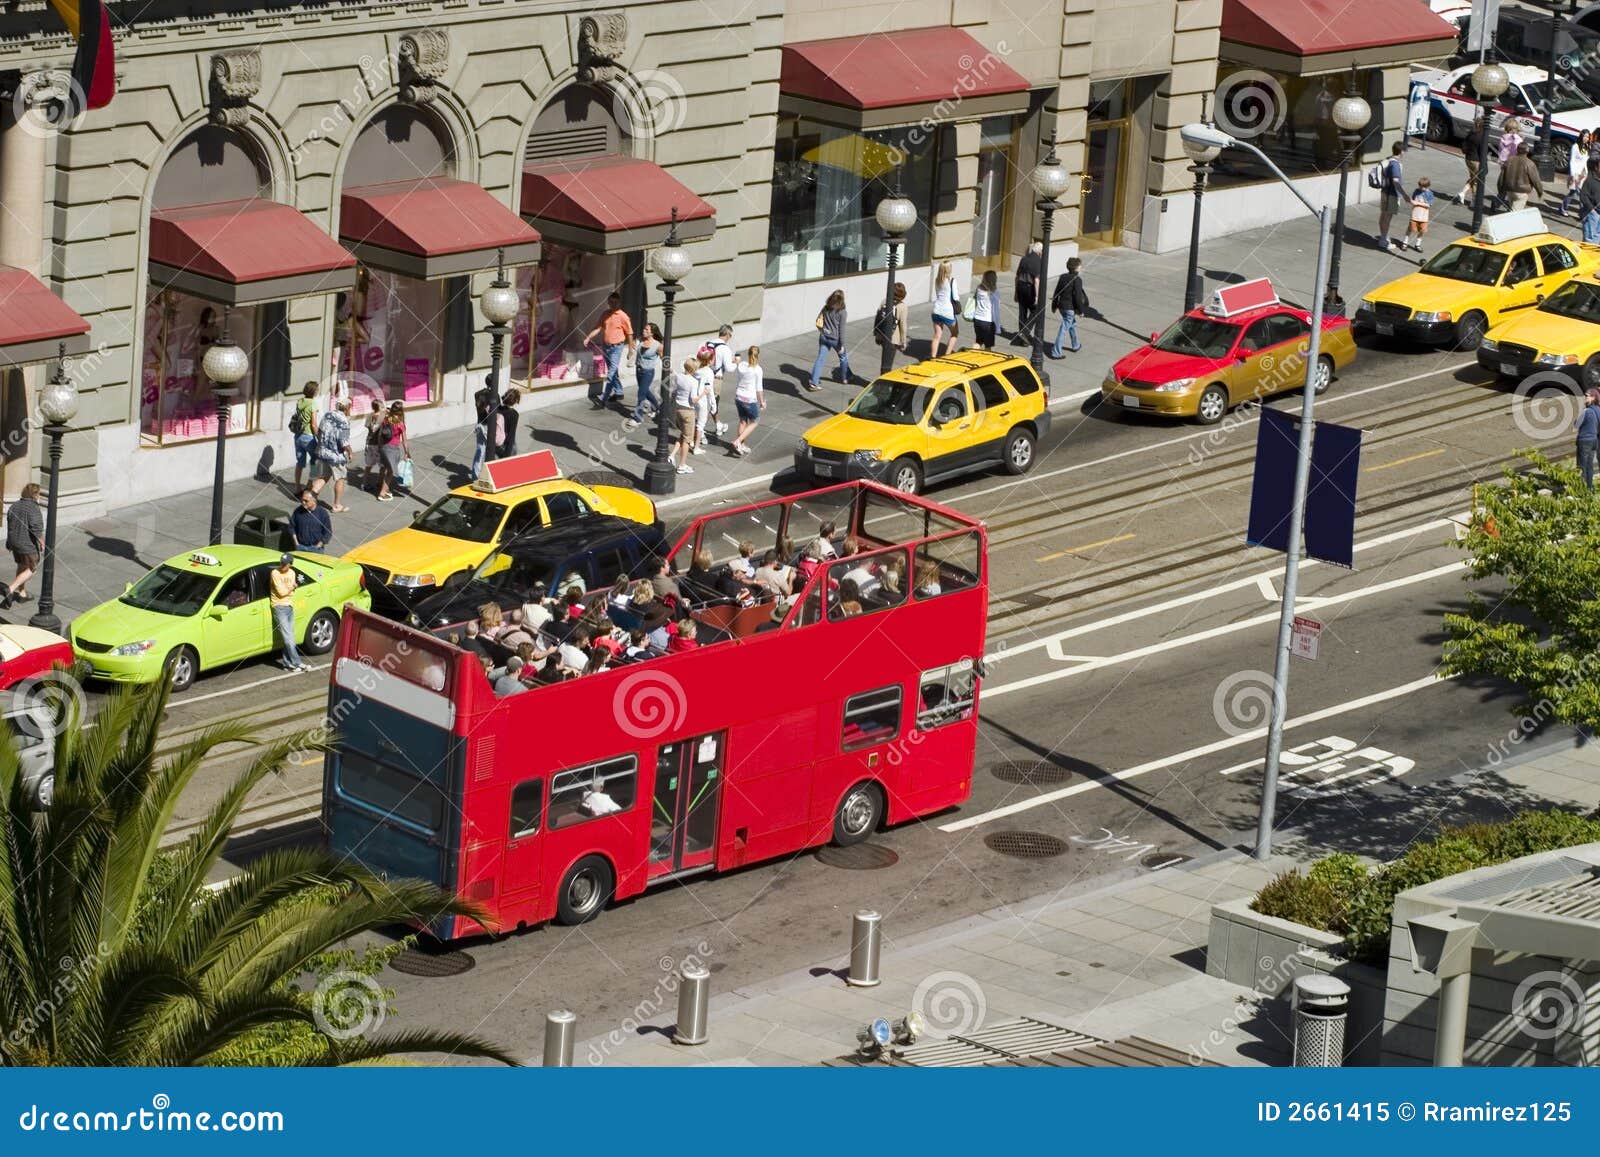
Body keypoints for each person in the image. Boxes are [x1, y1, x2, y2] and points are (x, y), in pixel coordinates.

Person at [584, 292, 635, 409]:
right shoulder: (605, 314)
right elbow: (598, 327)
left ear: (619, 302)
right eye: (610, 302)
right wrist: (588, 337)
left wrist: (630, 350)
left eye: (615, 302)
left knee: (611, 374)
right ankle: (619, 392)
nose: (612, 304)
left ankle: (603, 399)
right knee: (613, 371)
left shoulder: (623, 316)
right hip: (606, 346)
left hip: (617, 347)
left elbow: (630, 333)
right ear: (608, 302)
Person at [1, 482, 44, 608]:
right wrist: (42, 542)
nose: (40, 496)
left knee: (22, 565)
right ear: (34, 495)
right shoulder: (33, 508)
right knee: (32, 568)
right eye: (39, 494)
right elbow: (36, 528)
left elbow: (10, 526)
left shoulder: (14, 505)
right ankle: (10, 589)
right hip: (27, 544)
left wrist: (9, 543)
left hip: (15, 543)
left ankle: (22, 593)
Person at [311, 397, 353, 513]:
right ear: (347, 407)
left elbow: (319, 431)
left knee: (323, 477)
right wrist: (350, 451)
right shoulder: (344, 420)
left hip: (323, 452)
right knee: (340, 478)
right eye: (350, 406)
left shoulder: (327, 415)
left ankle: (310, 498)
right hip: (336, 456)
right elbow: (343, 441)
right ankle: (337, 505)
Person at [623, 322, 662, 431]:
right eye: (644, 329)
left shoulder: (658, 345)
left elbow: (664, 358)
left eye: (647, 330)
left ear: (652, 333)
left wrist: (669, 369)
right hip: (638, 370)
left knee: (641, 395)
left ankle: (637, 418)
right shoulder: (640, 340)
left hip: (648, 372)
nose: (644, 331)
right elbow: (635, 351)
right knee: (645, 392)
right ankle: (657, 407)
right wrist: (630, 353)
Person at [808, 289, 849, 391]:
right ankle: (845, 378)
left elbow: (818, 320)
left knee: (820, 359)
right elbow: (841, 330)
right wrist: (842, 344)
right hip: (835, 340)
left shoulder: (826, 308)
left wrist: (823, 330)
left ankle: (814, 382)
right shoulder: (842, 312)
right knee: (843, 357)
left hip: (823, 337)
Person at [270, 553, 305, 673]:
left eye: (285, 564)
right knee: (288, 638)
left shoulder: (292, 573)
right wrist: (292, 587)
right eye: (281, 563)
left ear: (290, 564)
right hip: (278, 607)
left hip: (289, 606)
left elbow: (289, 593)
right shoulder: (275, 573)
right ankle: (297, 663)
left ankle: (287, 664)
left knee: (290, 637)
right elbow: (281, 592)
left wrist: (290, 589)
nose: (282, 566)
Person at [1048, 257, 1089, 358]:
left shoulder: (1063, 277)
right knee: (1064, 328)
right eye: (1079, 265)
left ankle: (1076, 345)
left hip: (1062, 307)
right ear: (1076, 268)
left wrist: (1054, 305)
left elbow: (1057, 292)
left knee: (1072, 324)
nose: (1081, 267)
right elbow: (1078, 297)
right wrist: (1081, 311)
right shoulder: (1077, 280)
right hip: (1070, 308)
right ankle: (1056, 352)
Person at [730, 345, 765, 457]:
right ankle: (738, 441)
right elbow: (759, 389)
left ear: (748, 354)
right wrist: (762, 402)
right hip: (749, 400)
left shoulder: (742, 365)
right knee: (755, 421)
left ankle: (741, 445)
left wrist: (736, 360)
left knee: (743, 421)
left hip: (738, 397)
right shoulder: (758, 370)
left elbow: (738, 362)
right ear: (758, 355)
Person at [373, 400, 410, 502]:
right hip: (392, 449)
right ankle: (382, 493)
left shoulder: (386, 419)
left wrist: (380, 447)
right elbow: (404, 441)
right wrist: (407, 452)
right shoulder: (400, 424)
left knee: (384, 466)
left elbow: (380, 434)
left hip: (383, 447)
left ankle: (379, 483)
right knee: (390, 472)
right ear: (401, 411)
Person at [707, 323, 736, 437]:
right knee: (712, 404)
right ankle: (698, 432)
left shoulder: (709, 343)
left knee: (709, 403)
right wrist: (736, 363)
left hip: (706, 374)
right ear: (727, 334)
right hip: (716, 378)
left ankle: (718, 425)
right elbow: (729, 368)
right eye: (730, 335)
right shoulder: (725, 348)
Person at [290, 381, 319, 490]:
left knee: (300, 463)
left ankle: (297, 487)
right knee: (315, 460)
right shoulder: (312, 404)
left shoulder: (300, 401)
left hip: (298, 436)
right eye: (317, 390)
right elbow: (313, 424)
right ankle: (310, 484)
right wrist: (319, 437)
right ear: (314, 391)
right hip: (308, 436)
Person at [670, 357, 698, 474]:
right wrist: (703, 393)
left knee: (683, 435)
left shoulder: (679, 377)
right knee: (687, 440)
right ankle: (682, 465)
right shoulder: (694, 382)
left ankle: (671, 456)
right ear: (694, 369)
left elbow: (674, 392)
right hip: (688, 411)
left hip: (678, 409)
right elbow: (693, 400)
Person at [1500, 141, 1544, 214]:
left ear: (1517, 150)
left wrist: (1500, 188)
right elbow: (1536, 180)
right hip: (1521, 191)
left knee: (1511, 210)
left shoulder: (1509, 160)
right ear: (1527, 151)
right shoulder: (1529, 163)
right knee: (1515, 214)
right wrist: (1540, 192)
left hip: (1509, 188)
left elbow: (1501, 176)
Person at [1376, 142, 1405, 252]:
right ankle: (1383, 240)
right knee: (1387, 218)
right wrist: (1404, 195)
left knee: (1383, 215)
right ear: (1401, 152)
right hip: (1392, 194)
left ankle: (1383, 236)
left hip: (1384, 192)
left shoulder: (1387, 160)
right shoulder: (1395, 164)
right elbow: (1396, 181)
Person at [1013, 241, 1042, 344]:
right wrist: (1037, 296)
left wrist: (1016, 292)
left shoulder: (1024, 259)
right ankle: (1025, 333)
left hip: (1020, 286)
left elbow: (1017, 277)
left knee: (1022, 312)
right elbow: (1036, 281)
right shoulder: (1038, 261)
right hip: (1030, 289)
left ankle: (1023, 338)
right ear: (1040, 252)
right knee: (1036, 310)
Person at [289, 488, 333, 552]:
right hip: (301, 547)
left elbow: (328, 532)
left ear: (314, 500)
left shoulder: (322, 513)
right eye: (302, 500)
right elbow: (291, 527)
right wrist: (297, 544)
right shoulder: (298, 511)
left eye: (306, 501)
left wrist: (318, 545)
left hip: (316, 548)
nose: (303, 502)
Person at [930, 260, 959, 356]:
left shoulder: (937, 280)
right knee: (955, 333)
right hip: (947, 312)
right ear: (949, 269)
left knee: (937, 336)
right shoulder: (952, 280)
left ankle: (933, 357)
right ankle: (946, 356)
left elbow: (938, 294)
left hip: (936, 310)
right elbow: (955, 297)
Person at [470, 381, 497, 478]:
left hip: (480, 424)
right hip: (489, 426)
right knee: (488, 451)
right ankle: (484, 474)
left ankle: (475, 474)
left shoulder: (478, 394)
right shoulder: (494, 396)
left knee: (480, 450)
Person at [1458, 116, 1485, 206]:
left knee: (1473, 178)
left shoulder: (1471, 133)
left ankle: (1463, 193)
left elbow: (1464, 144)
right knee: (1476, 181)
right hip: (1476, 160)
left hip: (1468, 158)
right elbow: (1482, 151)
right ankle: (1473, 201)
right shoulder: (1482, 136)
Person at [692, 348, 715, 453]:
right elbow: (709, 390)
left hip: (693, 398)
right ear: (710, 360)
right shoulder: (709, 372)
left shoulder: (695, 370)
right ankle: (696, 447)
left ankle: (691, 441)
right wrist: (713, 404)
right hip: (702, 400)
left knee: (694, 421)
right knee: (701, 424)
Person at [1564, 131, 1592, 217]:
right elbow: (1572, 160)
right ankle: (1563, 208)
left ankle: (1582, 213)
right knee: (1573, 192)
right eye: (1585, 136)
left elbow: (1586, 161)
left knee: (1582, 193)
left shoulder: (1587, 147)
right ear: (1581, 136)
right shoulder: (1575, 146)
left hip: (1583, 173)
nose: (1586, 138)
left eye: (1587, 137)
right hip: (1576, 173)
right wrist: (1572, 174)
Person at [971, 270, 1001, 350]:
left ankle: (971, 357)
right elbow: (996, 311)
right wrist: (998, 328)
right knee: (988, 346)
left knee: (978, 341)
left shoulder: (979, 288)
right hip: (988, 322)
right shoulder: (995, 292)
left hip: (977, 319)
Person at [1403, 177, 1434, 253]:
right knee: (1410, 228)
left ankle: (1418, 244)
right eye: (1420, 186)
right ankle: (1405, 242)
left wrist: (1417, 203)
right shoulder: (1416, 191)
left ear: (1427, 186)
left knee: (1422, 230)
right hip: (1415, 214)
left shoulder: (1429, 193)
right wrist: (1411, 201)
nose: (1420, 188)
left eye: (1422, 187)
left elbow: (1429, 205)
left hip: (1424, 216)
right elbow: (1413, 199)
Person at [1578, 388, 1600, 489]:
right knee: (1590, 465)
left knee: (1582, 466)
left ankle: (1583, 489)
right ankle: (1589, 488)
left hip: (1586, 440)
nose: (1585, 397)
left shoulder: (1587, 411)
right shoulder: (1598, 409)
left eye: (1587, 396)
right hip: (1594, 440)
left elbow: (1576, 424)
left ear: (1593, 397)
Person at [495, 388, 521, 459]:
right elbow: (511, 435)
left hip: (496, 440)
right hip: (505, 444)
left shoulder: (498, 409)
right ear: (515, 401)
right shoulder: (514, 414)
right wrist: (508, 454)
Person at [1581, 159, 1600, 243]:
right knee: (1589, 238)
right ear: (1596, 168)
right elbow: (1583, 195)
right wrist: (1591, 209)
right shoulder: (1590, 180)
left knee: (1598, 236)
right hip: (1592, 213)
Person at [891, 282, 910, 357]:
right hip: (893, 338)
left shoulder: (884, 301)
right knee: (889, 361)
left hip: (883, 335)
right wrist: (903, 341)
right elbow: (903, 325)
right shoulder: (903, 307)